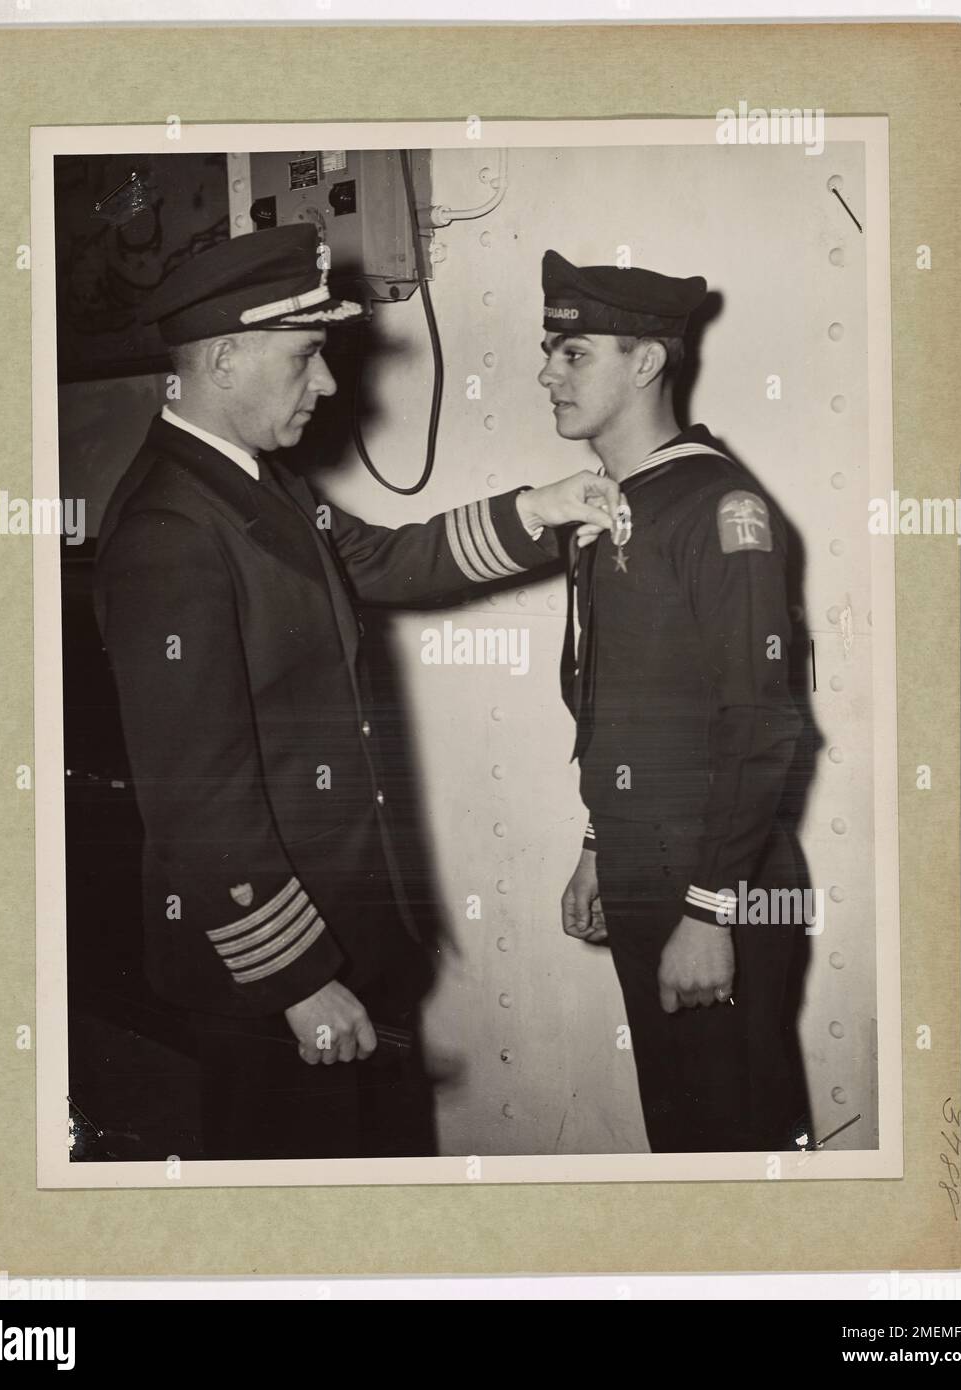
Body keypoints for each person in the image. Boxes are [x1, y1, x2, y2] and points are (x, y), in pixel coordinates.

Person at [94, 224, 622, 1159]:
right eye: (305, 357)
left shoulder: (251, 481)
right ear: (222, 361)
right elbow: (195, 797)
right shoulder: (169, 531)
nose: (329, 383)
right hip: (268, 975)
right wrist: (297, 979)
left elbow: (377, 559)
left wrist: (537, 510)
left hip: (346, 934)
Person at [541, 249, 810, 1153]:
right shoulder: (612, 503)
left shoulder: (718, 506)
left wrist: (708, 910)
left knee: (739, 1143)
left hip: (720, 878)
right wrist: (598, 846)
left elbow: (760, 722)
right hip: (645, 866)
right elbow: (628, 710)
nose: (547, 374)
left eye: (573, 354)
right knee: (685, 1133)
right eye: (549, 352)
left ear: (646, 361)